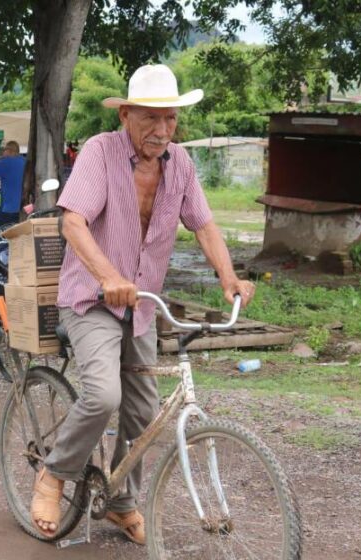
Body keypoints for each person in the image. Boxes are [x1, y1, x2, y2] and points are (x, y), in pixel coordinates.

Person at [29, 64, 256, 544]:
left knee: (144, 414)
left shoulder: (180, 165)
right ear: (126, 114)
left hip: (143, 306)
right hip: (91, 300)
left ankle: (120, 500)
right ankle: (54, 473)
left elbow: (204, 225)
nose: (162, 130)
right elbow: (73, 223)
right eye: (151, 118)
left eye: (170, 119)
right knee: (103, 395)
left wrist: (229, 277)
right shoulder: (99, 152)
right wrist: (108, 276)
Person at [0, 140, 26, 227]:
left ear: (9, 150)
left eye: (4, 150)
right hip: (24, 207)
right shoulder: (24, 161)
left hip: (10, 208)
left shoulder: (6, 162)